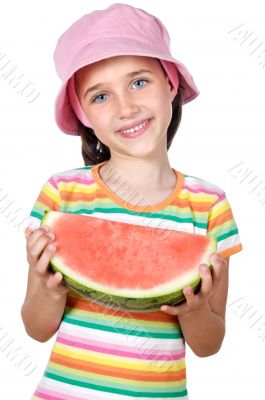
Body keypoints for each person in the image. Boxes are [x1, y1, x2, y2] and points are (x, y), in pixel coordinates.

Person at [21, 3, 243, 399]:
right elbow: (36, 330)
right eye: (100, 96)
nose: (126, 108)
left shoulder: (209, 204)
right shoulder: (62, 195)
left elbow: (209, 346)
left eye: (139, 82)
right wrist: (48, 288)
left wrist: (194, 312)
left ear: (171, 83)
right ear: (83, 114)